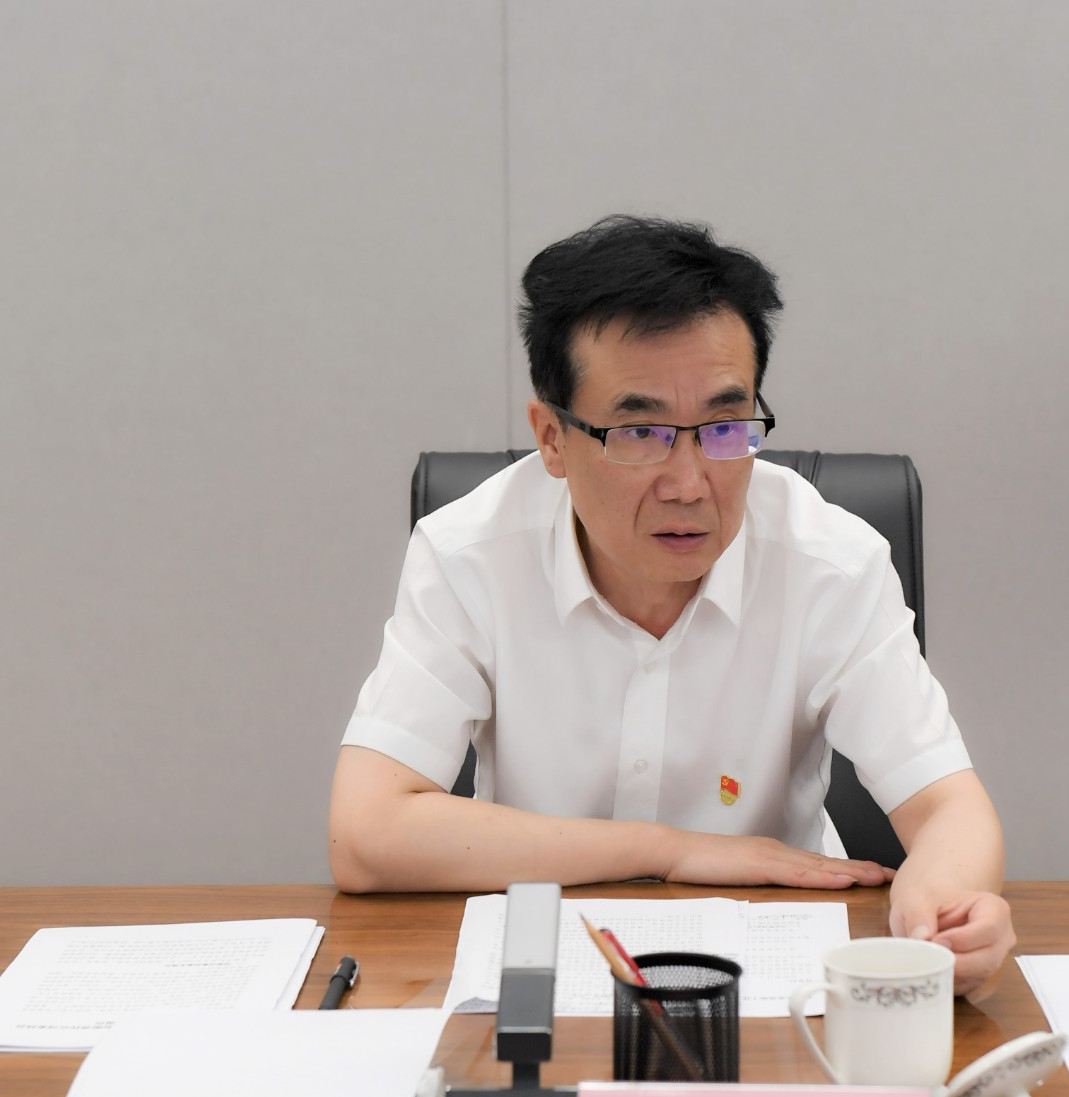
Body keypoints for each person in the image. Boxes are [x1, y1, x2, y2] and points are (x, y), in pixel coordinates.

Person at [329, 215, 1014, 995]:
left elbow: (951, 809)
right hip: (538, 972)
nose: (689, 484)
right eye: (641, 432)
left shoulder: (830, 562)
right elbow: (365, 833)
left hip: (773, 980)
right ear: (551, 437)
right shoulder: (468, 555)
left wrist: (948, 909)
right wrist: (671, 849)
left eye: (724, 426)